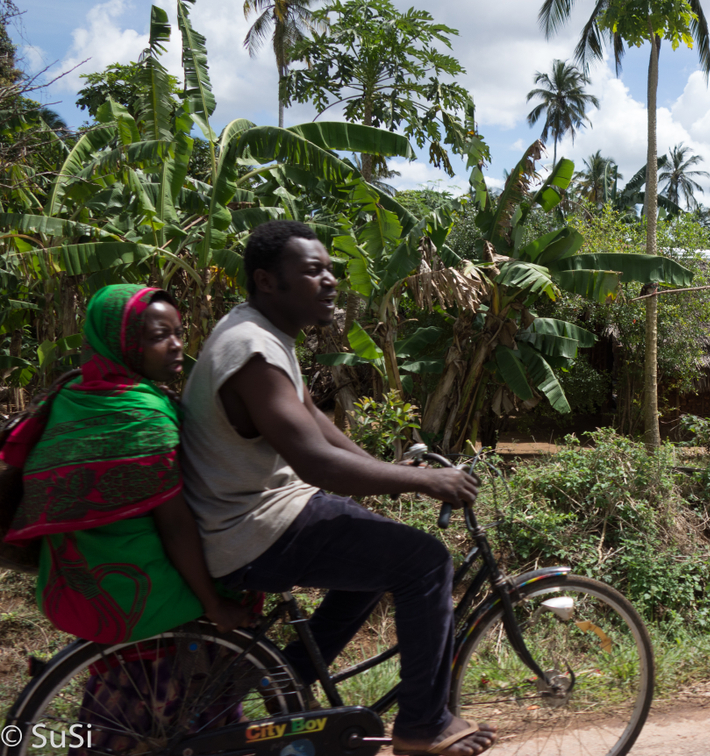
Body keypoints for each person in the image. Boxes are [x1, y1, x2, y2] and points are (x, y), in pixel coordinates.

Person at [180, 220, 496, 756]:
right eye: (312, 271)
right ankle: (424, 725)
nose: (329, 280)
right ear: (267, 280)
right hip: (252, 527)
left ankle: (285, 678)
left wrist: (384, 470)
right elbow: (314, 462)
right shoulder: (252, 351)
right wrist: (423, 481)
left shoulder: (264, 336)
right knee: (425, 562)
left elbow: (314, 424)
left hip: (258, 516)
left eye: (330, 269)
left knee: (378, 562)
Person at [0, 285, 255, 754]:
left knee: (116, 719)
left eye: (179, 333)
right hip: (146, 595)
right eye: (161, 335)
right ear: (121, 342)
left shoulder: (71, 396)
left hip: (83, 588)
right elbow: (175, 525)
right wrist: (214, 605)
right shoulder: (141, 414)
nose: (177, 344)